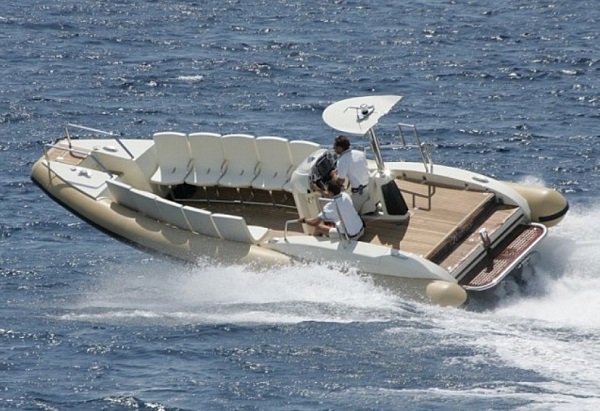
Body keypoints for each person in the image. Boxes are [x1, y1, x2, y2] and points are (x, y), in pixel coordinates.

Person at [300, 180, 365, 240]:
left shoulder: (330, 206)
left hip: (351, 237)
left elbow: (314, 222)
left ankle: (312, 243)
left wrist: (304, 220)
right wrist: (318, 189)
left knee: (319, 228)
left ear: (330, 192)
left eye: (327, 191)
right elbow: (331, 196)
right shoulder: (345, 195)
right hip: (361, 230)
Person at [330, 135, 372, 214]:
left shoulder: (342, 160)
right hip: (369, 188)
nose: (334, 149)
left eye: (335, 147)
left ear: (341, 148)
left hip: (359, 194)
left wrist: (333, 175)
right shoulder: (360, 153)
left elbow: (340, 182)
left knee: (346, 214)